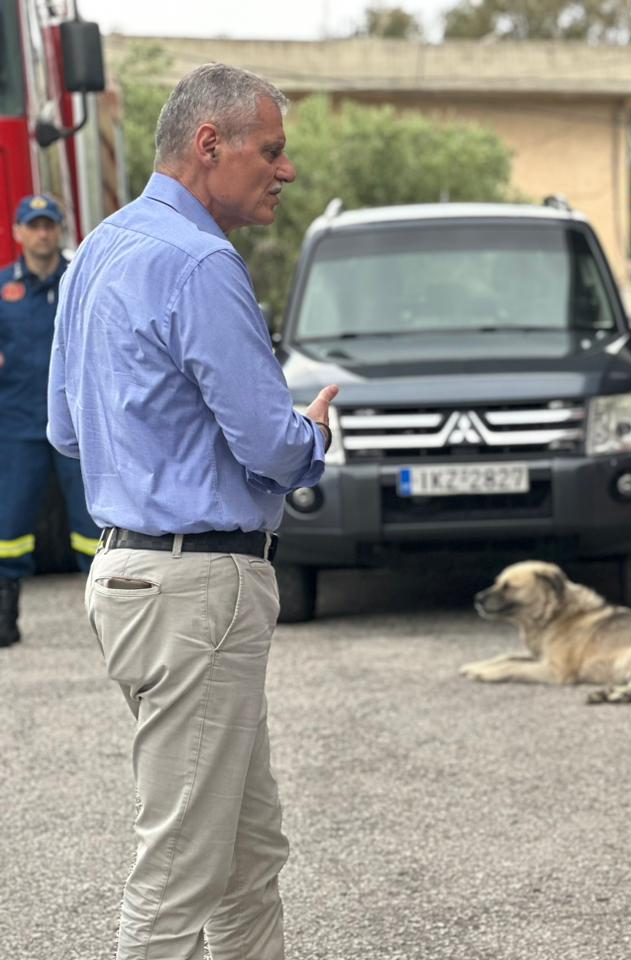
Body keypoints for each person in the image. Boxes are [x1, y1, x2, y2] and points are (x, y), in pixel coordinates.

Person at [47, 64, 339, 958]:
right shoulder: (202, 262)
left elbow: (65, 428)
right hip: (197, 591)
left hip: (135, 579)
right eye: (272, 149)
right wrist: (310, 436)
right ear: (210, 145)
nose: (284, 170)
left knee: (249, 857)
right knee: (177, 878)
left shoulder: (98, 248)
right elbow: (268, 444)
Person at [0, 194, 99, 647]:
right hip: (18, 427)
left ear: (60, 230)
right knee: (9, 528)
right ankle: (4, 618)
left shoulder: (82, 281)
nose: (42, 233)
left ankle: (111, 618)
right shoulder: (3, 291)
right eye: (33, 226)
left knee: (92, 524)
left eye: (49, 225)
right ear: (18, 233)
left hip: (77, 429)